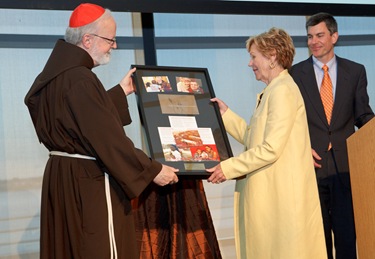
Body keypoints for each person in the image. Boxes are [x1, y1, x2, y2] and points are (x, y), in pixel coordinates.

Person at [24, 3, 179, 259]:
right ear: (87, 39)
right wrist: (153, 170)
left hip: (61, 177)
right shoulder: (81, 79)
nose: (114, 46)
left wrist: (120, 91)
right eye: (110, 40)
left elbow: (80, 120)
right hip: (88, 182)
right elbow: (107, 139)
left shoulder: (55, 76)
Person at [207, 27, 327, 259]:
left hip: (280, 201)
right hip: (271, 197)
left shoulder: (282, 91)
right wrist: (226, 114)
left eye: (253, 56)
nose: (250, 63)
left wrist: (227, 168)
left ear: (272, 56)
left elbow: (270, 148)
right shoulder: (273, 90)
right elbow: (254, 138)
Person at [290, 12, 374, 259]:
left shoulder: (356, 71)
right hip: (310, 165)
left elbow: (363, 115)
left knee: (348, 237)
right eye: (309, 37)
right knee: (317, 238)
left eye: (320, 35)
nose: (314, 41)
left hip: (346, 168)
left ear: (334, 36)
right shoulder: (294, 75)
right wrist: (301, 148)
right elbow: (291, 123)